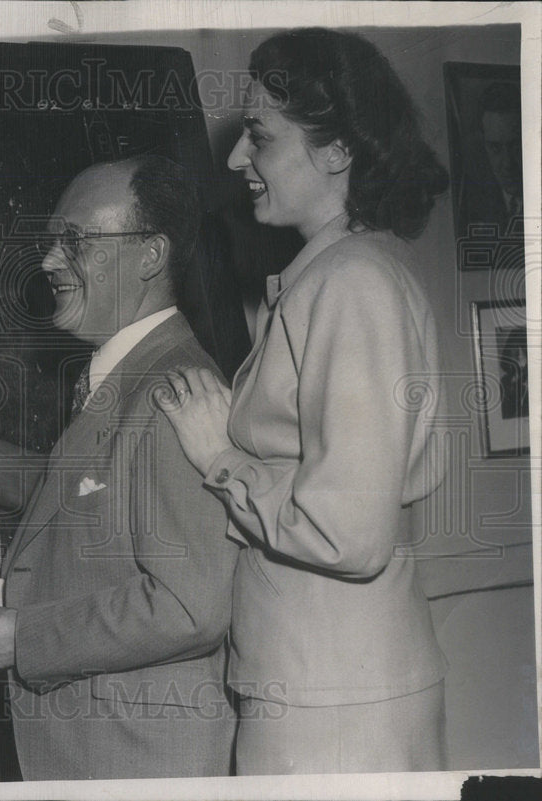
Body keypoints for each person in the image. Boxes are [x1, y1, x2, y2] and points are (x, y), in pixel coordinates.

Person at [155, 28, 451, 775]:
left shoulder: (352, 284)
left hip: (333, 701)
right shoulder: (345, 273)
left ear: (338, 150)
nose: (234, 159)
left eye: (258, 137)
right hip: (327, 682)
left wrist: (221, 457)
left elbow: (348, 533)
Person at [0, 156, 239, 780]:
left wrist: (26, 637)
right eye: (52, 242)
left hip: (137, 759)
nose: (48, 262)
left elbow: (190, 606)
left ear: (150, 256)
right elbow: (97, 496)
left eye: (75, 242)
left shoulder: (170, 392)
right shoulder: (130, 374)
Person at [462, 81, 523, 234]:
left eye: (516, 147)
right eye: (495, 148)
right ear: (483, 144)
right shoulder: (471, 204)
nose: (507, 163)